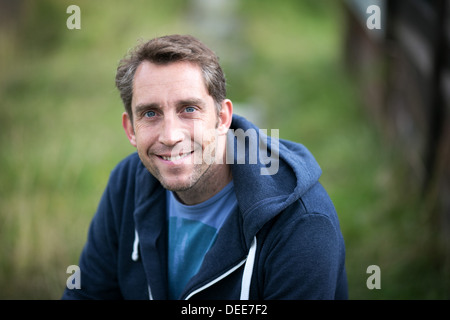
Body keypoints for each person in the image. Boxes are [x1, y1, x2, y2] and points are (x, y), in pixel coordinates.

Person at [62, 34, 348, 300]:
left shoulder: (301, 221)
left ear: (222, 118)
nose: (170, 136)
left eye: (189, 109)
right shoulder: (127, 182)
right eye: (150, 113)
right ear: (131, 129)